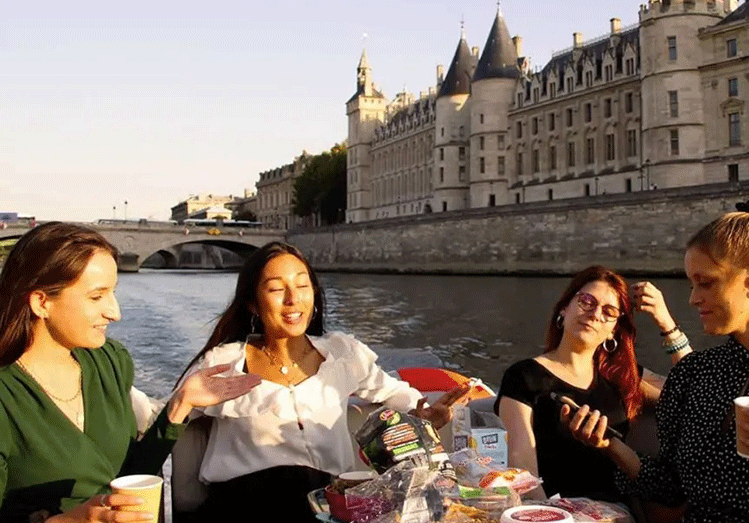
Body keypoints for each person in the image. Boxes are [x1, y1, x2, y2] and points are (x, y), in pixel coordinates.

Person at [564, 197, 749, 522]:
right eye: (692, 284)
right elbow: (669, 488)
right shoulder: (693, 374)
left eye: (706, 283)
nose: (693, 299)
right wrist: (608, 443)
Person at [178, 241, 468, 522]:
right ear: (253, 304)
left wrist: (423, 416)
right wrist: (182, 402)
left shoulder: (342, 355)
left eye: (302, 286)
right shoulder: (223, 364)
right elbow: (167, 419)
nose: (293, 299)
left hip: (327, 507)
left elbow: (396, 394)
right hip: (243, 508)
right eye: (277, 289)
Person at [0, 222, 261, 523]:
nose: (115, 312)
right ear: (41, 302)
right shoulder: (7, 395)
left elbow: (129, 477)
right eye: (97, 297)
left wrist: (179, 407)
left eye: (113, 293)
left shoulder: (111, 363)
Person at [494, 266, 690, 502]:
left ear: (613, 331)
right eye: (586, 301)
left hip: (613, 513)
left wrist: (667, 324)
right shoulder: (524, 376)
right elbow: (523, 471)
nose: (595, 314)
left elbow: (695, 391)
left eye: (609, 311)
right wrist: (548, 517)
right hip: (552, 510)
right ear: (564, 309)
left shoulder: (623, 377)